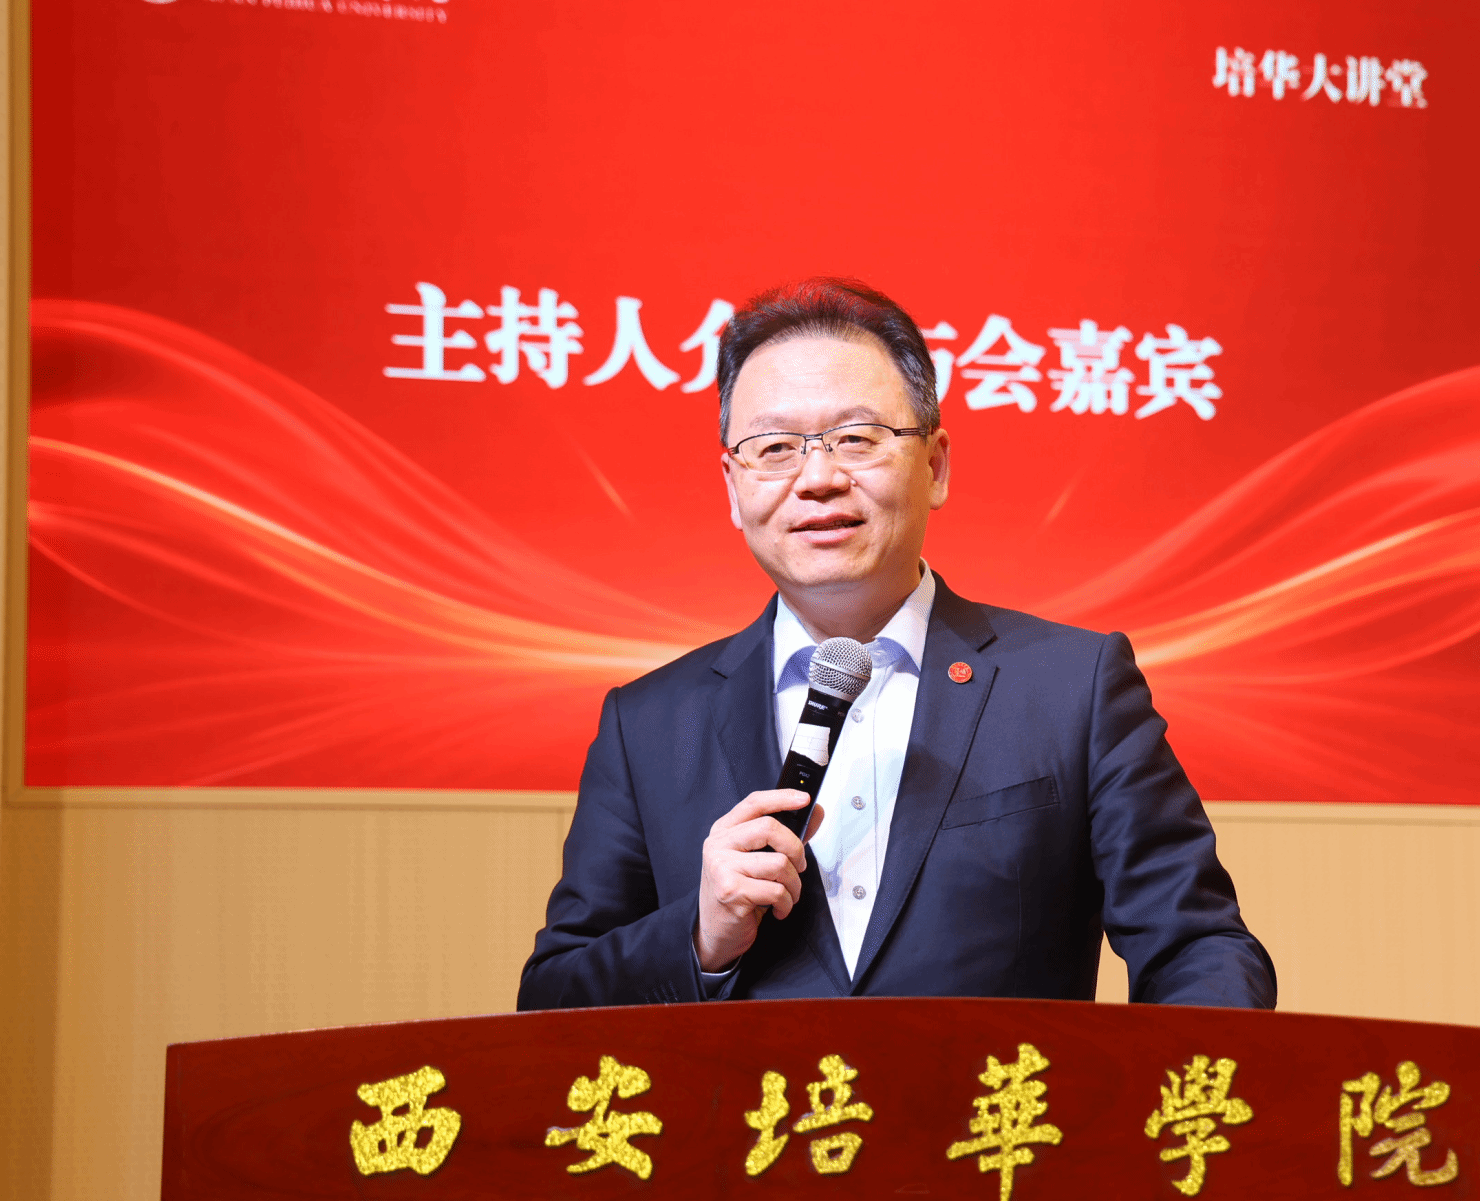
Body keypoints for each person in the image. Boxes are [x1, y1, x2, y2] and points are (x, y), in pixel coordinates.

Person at [517, 279, 1276, 1009]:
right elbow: (553, 998)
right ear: (732, 487)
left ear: (935, 465)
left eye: (856, 438)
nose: (818, 477)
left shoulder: (1073, 689)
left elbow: (1200, 948)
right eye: (775, 447)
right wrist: (700, 936)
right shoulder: (647, 724)